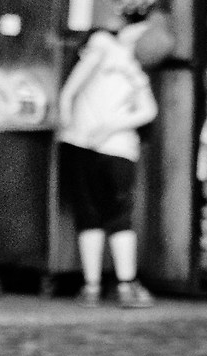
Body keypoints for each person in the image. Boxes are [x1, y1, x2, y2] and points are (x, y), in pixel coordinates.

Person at [57, 20, 163, 307]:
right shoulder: (135, 69)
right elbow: (148, 111)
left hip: (80, 141)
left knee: (88, 213)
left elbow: (71, 89)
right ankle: (126, 284)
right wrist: (113, 125)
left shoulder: (101, 46)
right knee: (119, 215)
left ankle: (91, 286)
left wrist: (66, 112)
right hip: (120, 148)